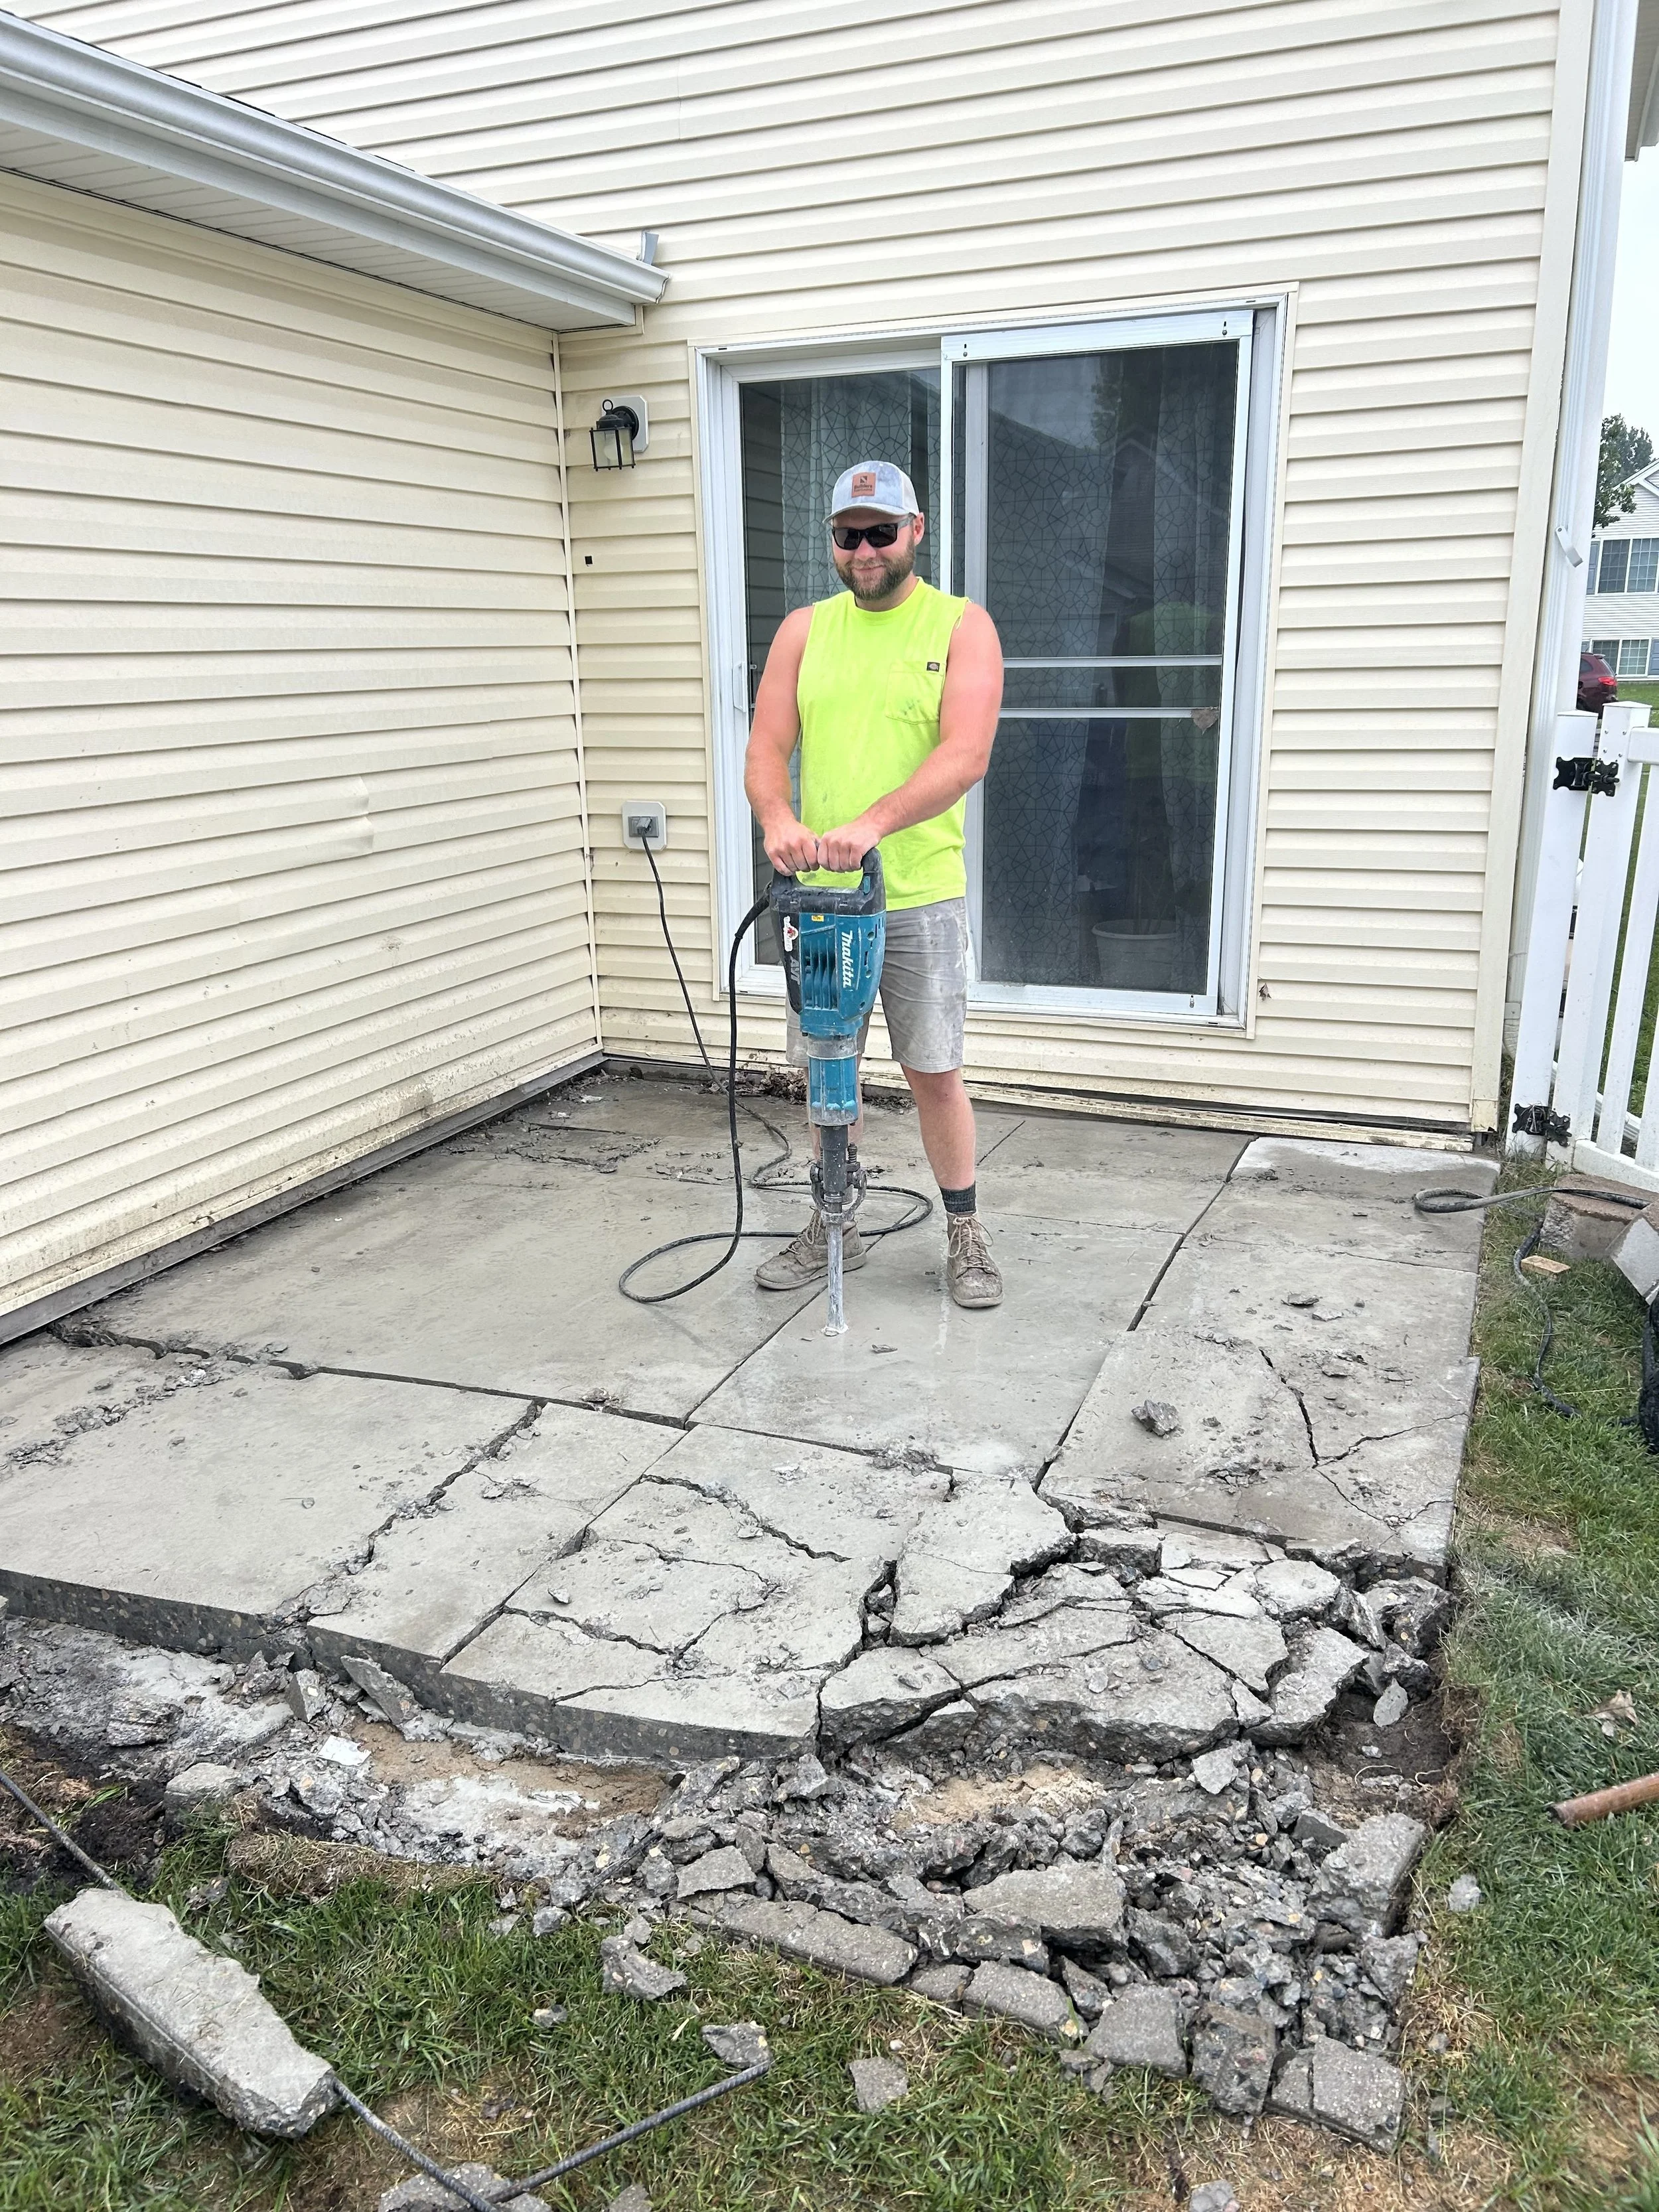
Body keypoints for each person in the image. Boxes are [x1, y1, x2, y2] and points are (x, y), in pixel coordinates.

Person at [744, 459, 1005, 1309]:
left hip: (919, 893)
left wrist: (874, 824)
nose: (864, 551)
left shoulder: (960, 627)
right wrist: (777, 819)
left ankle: (964, 1231)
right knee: (829, 1069)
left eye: (880, 533)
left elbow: (965, 753)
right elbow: (765, 748)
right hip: (823, 901)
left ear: (914, 531)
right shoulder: (803, 632)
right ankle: (834, 1223)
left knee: (933, 1069)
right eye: (848, 535)